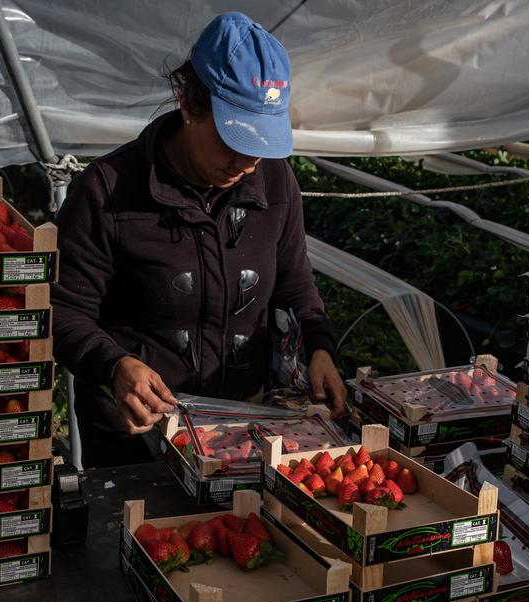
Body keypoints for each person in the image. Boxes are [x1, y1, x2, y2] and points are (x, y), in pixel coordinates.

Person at [52, 12, 345, 468]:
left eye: (261, 143)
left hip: (242, 431)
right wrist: (113, 366)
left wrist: (319, 348)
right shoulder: (107, 191)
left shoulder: (275, 182)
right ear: (189, 103)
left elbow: (294, 285)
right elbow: (64, 309)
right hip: (138, 441)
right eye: (234, 140)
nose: (247, 162)